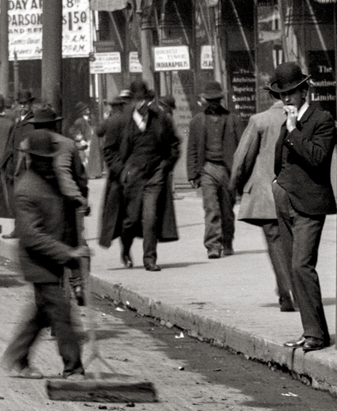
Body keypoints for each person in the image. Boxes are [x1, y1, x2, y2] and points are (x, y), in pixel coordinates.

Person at [1, 103, 90, 381]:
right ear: (32, 158)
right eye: (40, 158)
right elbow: (32, 236)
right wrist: (68, 253)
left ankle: (17, 358)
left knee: (42, 313)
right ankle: (73, 368)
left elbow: (65, 217)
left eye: (47, 157)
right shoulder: (27, 189)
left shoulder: (50, 181)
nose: (45, 162)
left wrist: (79, 245)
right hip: (37, 260)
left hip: (53, 257)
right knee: (62, 313)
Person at [270, 61, 337, 352]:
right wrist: (277, 184)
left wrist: (294, 130)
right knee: (292, 268)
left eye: (292, 93)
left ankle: (317, 335)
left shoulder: (321, 119)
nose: (286, 99)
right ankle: (309, 331)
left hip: (309, 204)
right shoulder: (286, 120)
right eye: (282, 94)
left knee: (302, 266)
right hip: (285, 200)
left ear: (304, 90)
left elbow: (319, 159)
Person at [231, 87, 296, 312]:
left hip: (267, 195)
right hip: (298, 194)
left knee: (276, 243)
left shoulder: (259, 120)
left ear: (271, 96)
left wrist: (236, 186)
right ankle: (298, 290)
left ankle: (287, 292)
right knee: (297, 244)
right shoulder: (302, 118)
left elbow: (243, 158)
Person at [118, 79, 181, 271]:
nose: (141, 104)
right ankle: (126, 249)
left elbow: (174, 145)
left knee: (150, 217)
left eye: (144, 99)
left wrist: (165, 166)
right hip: (133, 176)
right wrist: (121, 171)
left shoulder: (160, 119)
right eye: (137, 100)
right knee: (130, 220)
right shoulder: (124, 121)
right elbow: (112, 149)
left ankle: (149, 258)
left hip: (154, 175)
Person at [186, 81, 241, 259]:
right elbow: (192, 149)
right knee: (211, 208)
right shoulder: (197, 122)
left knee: (227, 211)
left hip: (227, 170)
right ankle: (213, 245)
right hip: (207, 168)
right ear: (205, 101)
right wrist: (193, 173)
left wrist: (241, 174)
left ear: (221, 100)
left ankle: (227, 242)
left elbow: (242, 148)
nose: (214, 103)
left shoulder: (233, 119)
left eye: (216, 100)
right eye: (210, 100)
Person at [97, 89, 134, 263]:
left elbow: (98, 132)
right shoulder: (133, 119)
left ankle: (122, 247)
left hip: (117, 175)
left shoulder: (111, 121)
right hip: (133, 172)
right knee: (131, 215)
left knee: (115, 213)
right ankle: (126, 249)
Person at [67, 102, 98, 179]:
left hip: (92, 140)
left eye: (87, 108)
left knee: (91, 156)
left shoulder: (92, 118)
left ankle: (93, 172)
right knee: (86, 158)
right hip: (86, 141)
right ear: (81, 111)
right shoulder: (79, 121)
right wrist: (81, 139)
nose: (88, 109)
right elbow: (75, 131)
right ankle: (88, 173)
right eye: (85, 109)